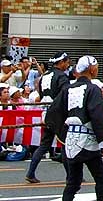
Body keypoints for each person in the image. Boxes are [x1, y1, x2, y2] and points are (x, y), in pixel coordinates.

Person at [45, 55, 103, 201]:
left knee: (73, 182)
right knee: (101, 178)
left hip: (70, 140)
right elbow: (99, 114)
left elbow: (54, 112)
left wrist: (61, 133)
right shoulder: (92, 89)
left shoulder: (68, 89)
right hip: (87, 141)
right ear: (91, 69)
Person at [25, 51, 71, 183]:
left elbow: (39, 92)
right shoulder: (61, 76)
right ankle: (70, 176)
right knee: (64, 144)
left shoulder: (44, 76)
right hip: (58, 114)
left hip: (45, 112)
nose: (68, 65)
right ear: (61, 62)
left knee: (45, 144)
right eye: (67, 62)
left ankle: (30, 172)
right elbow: (65, 95)